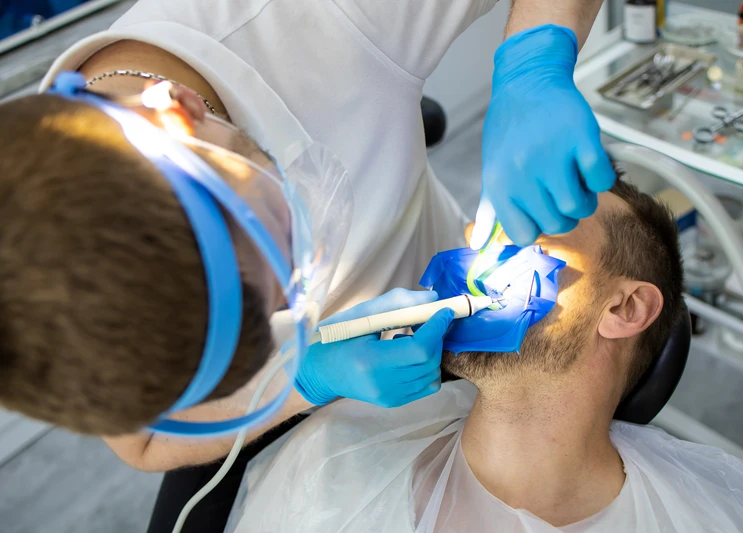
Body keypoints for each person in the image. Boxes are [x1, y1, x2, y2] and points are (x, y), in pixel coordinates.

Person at [0, 0, 615, 530]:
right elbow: (144, 442)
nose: (305, 299)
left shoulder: (326, 18)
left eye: (285, 230)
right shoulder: (55, 287)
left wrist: (533, 61)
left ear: (179, 109)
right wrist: (305, 380)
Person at [226, 180, 743, 533]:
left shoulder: (722, 517)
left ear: (623, 308)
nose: (480, 243)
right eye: (485, 233)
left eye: (537, 232)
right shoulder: (328, 470)